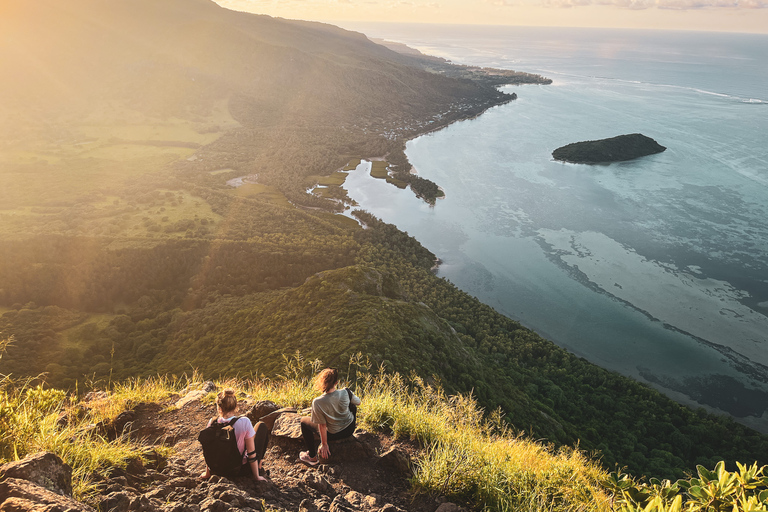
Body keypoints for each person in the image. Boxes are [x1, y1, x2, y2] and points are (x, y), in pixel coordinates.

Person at [201, 388, 270, 481]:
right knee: (261, 426)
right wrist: (256, 476)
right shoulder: (244, 422)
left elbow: (209, 450)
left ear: (219, 407)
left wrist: (208, 473)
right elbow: (251, 453)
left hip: (217, 470)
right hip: (238, 471)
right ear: (235, 406)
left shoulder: (212, 422)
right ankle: (259, 468)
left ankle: (211, 472)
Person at [299, 368, 362, 466]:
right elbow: (358, 403)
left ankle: (312, 457)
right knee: (352, 405)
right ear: (336, 382)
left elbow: (322, 425)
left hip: (333, 435)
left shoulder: (318, 402)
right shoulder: (346, 392)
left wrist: (324, 444)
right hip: (349, 429)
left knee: (303, 421)